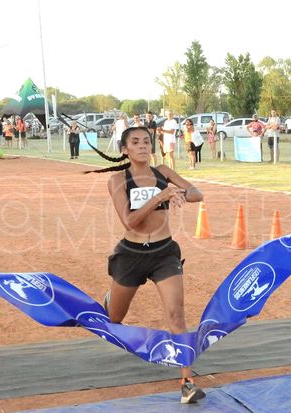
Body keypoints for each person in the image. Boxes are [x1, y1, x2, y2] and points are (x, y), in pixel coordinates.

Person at [85, 126, 206, 404]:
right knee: (113, 320)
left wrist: (180, 193)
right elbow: (129, 221)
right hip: (131, 255)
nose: (142, 146)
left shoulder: (163, 171)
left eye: (146, 141)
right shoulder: (117, 180)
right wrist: (160, 197)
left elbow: (197, 193)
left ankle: (187, 382)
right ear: (125, 150)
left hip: (164, 253)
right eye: (135, 142)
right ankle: (109, 299)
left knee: (176, 315)